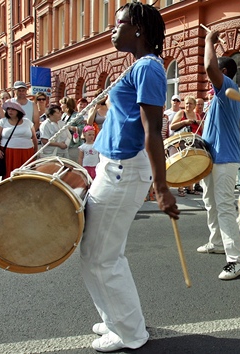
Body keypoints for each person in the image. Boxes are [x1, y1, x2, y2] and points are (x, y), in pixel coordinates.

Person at [79, 2, 178, 352]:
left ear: (138, 29)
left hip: (124, 171)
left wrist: (161, 186)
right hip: (114, 168)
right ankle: (115, 320)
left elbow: (153, 132)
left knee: (101, 255)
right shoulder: (138, 66)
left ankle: (130, 333)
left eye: (118, 23)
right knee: (100, 252)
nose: (112, 30)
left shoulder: (149, 68)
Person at [196, 29, 240, 280]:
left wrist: (209, 40)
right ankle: (216, 242)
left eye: (217, 70)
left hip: (224, 159)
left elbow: (208, 67)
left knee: (225, 206)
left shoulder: (227, 87)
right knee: (210, 202)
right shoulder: (222, 96)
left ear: (223, 72)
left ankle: (236, 260)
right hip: (215, 157)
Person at [0, 101, 38, 179]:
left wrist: (35, 151)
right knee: (10, 176)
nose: (10, 111)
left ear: (18, 111)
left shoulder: (27, 122)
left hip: (27, 153)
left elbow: (34, 137)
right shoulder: (2, 122)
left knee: (26, 176)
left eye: (13, 109)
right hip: (9, 153)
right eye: (9, 109)